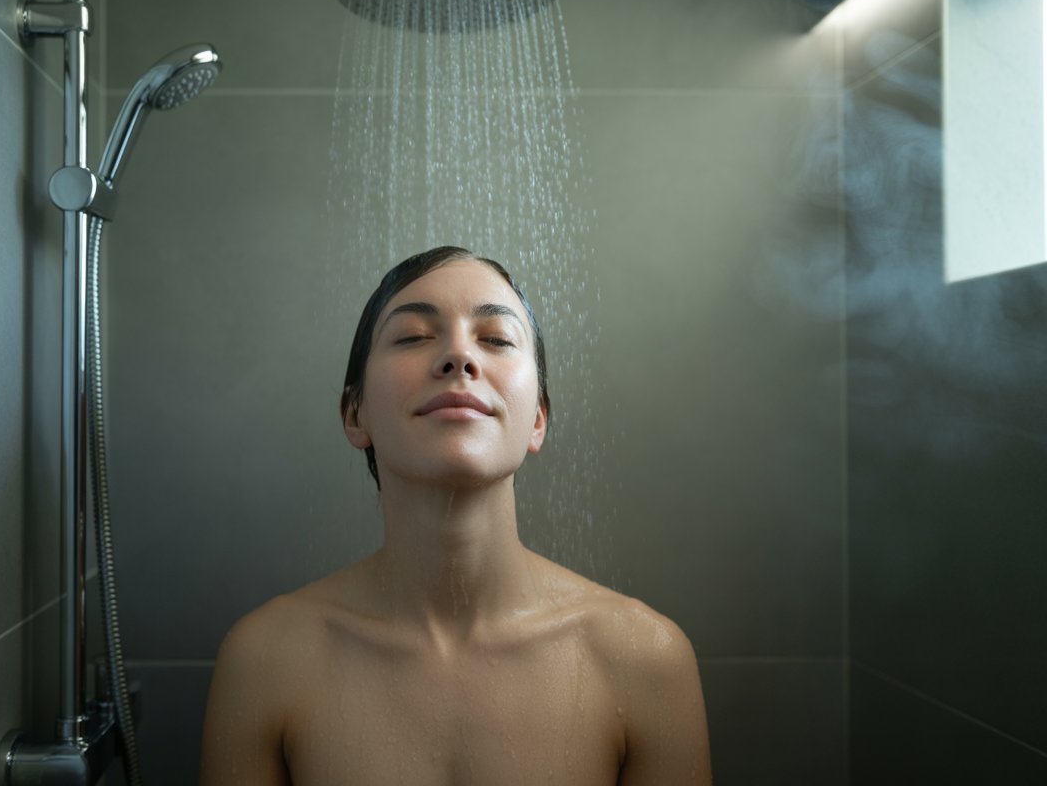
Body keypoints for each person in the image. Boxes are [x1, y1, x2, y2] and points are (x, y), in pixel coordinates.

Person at [199, 247, 712, 785]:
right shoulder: (267, 661)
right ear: (355, 413)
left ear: (538, 419)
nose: (459, 356)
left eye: (496, 339)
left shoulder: (644, 661)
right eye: (413, 336)